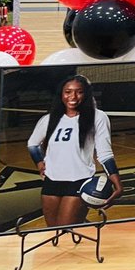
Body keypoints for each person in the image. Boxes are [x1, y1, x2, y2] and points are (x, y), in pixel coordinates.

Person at [27, 75, 123, 228]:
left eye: (79, 92)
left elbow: (104, 153)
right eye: (68, 92)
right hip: (51, 182)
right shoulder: (49, 119)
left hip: (80, 181)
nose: (73, 97)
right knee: (53, 230)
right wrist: (39, 163)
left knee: (65, 230)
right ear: (61, 94)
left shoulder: (97, 117)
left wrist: (117, 183)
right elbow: (33, 144)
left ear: (86, 94)